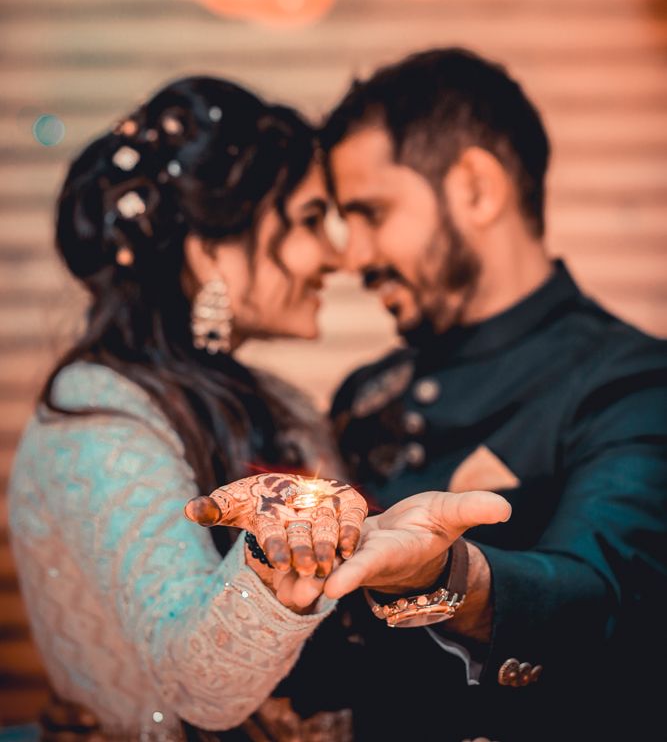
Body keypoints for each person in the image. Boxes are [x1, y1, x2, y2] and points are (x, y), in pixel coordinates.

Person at [8, 74, 510, 742]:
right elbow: (197, 690)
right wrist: (276, 573)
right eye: (307, 221)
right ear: (211, 248)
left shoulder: (279, 404)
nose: (337, 253)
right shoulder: (97, 420)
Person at [318, 47, 667, 742]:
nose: (351, 256)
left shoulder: (631, 380)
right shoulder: (364, 392)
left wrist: (447, 573)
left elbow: (601, 591)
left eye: (371, 212)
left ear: (476, 188)